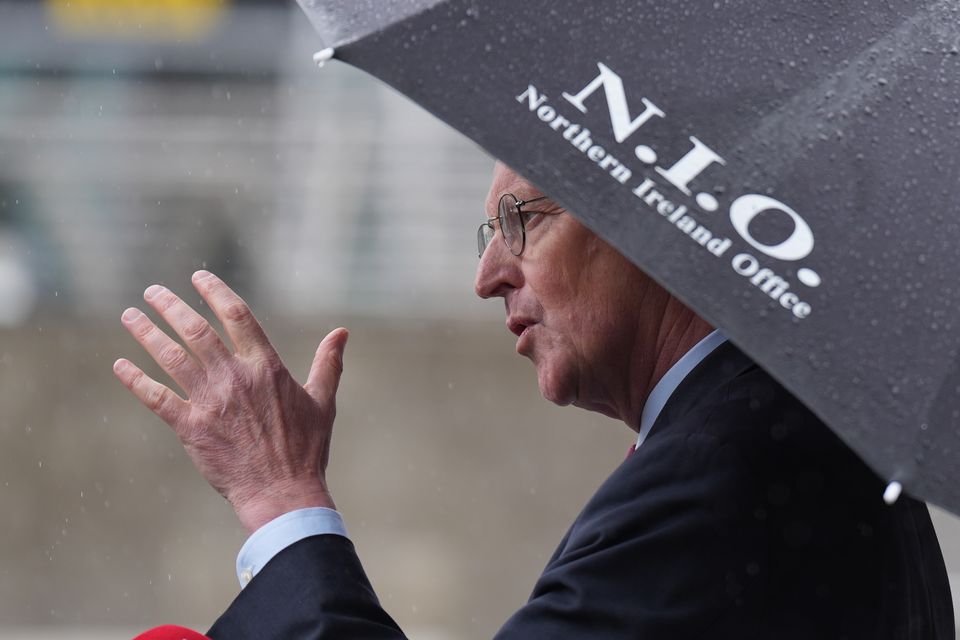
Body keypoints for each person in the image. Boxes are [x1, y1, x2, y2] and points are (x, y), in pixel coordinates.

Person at [114, 162, 955, 639]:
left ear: (653, 220)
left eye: (521, 221)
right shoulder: (783, 430)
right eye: (488, 234)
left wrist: (280, 494)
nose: (487, 277)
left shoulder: (731, 467)